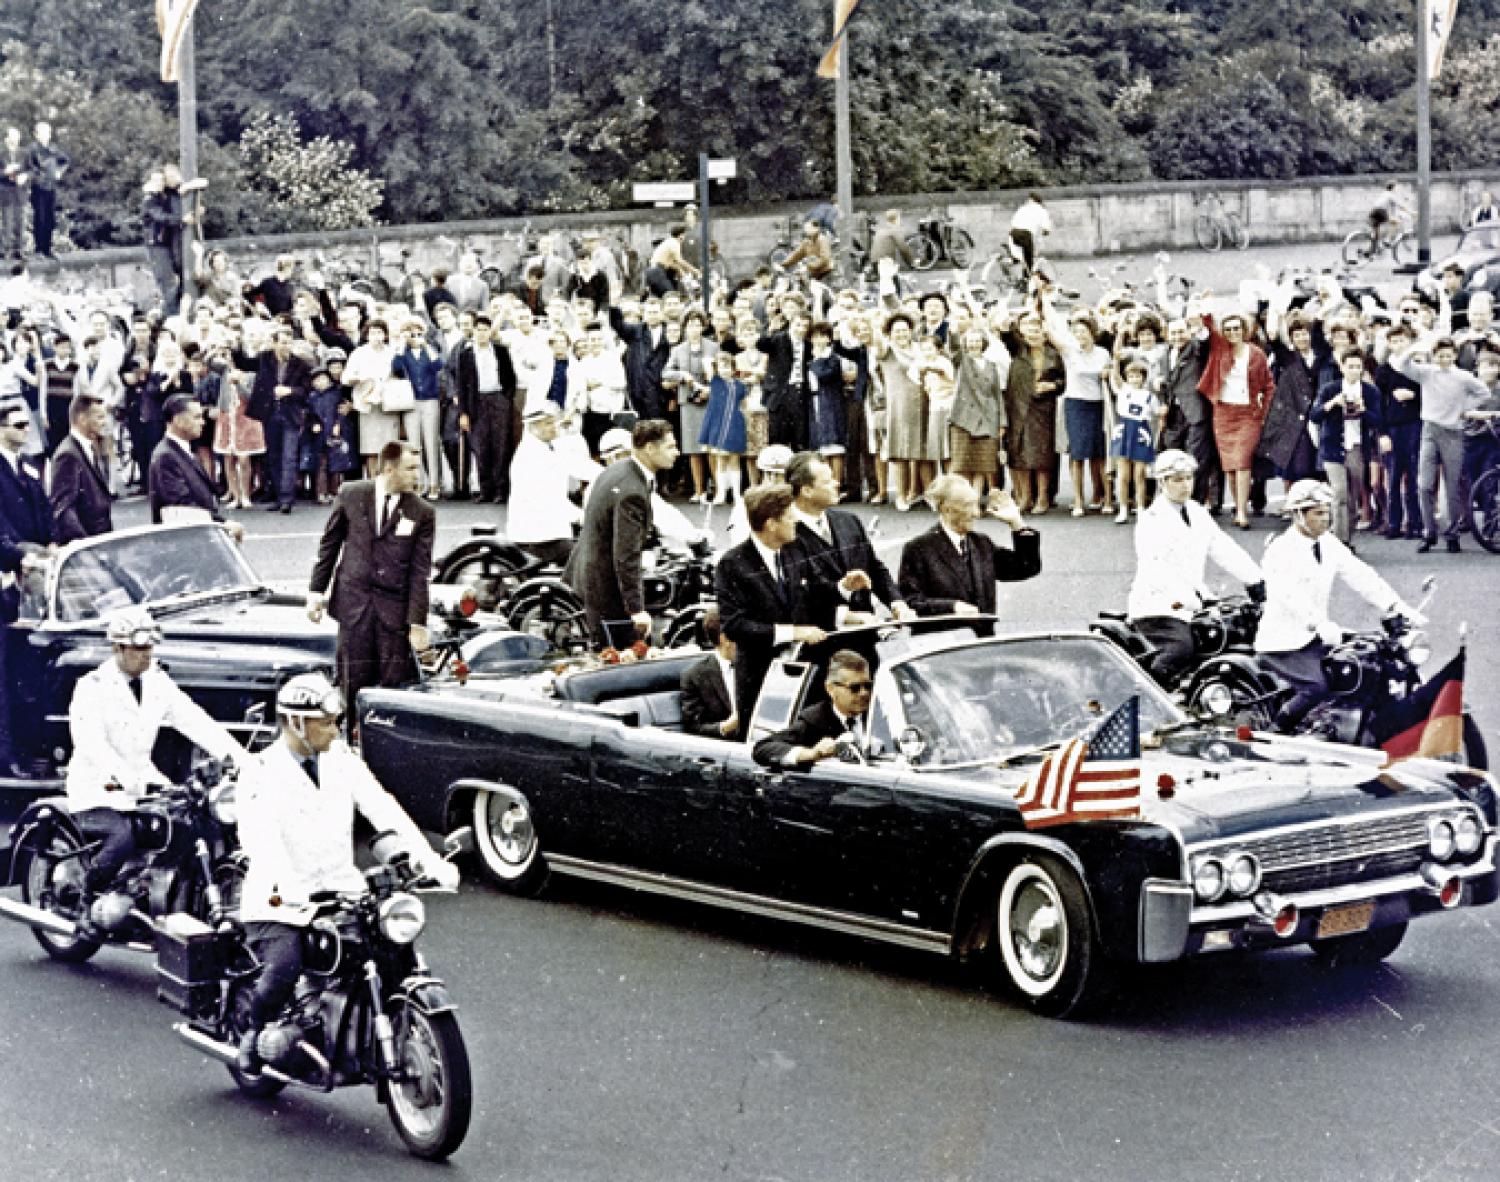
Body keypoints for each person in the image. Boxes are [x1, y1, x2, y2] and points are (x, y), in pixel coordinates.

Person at [234, 672, 458, 1076]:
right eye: (326, 722)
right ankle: (253, 1031)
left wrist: (430, 861)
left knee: (389, 949)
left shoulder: (340, 759)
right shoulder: (260, 771)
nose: (335, 730)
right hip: (279, 899)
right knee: (284, 965)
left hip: (342, 887)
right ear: (297, 723)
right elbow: (259, 841)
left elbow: (383, 809)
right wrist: (293, 889)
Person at [65, 608, 242, 917]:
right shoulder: (91, 687)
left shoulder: (157, 682)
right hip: (98, 790)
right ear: (118, 648)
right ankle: (85, 901)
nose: (145, 655)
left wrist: (240, 758)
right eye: (138, 648)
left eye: (149, 648)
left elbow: (195, 721)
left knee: (191, 826)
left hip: (148, 786)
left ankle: (161, 898)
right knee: (122, 838)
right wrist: (128, 778)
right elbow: (92, 744)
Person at [1254, 480, 1420, 731]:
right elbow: (1287, 596)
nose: (1326, 518)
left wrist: (1396, 605)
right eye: (1318, 513)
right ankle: (1276, 731)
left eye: (1328, 511)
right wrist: (1317, 622)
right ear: (1299, 515)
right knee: (1316, 687)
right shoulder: (1280, 550)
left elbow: (1360, 575)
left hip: (1320, 635)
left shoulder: (1328, 544)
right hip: (1284, 642)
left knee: (1369, 664)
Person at [308, 441, 435, 713]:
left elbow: (420, 571)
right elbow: (329, 545)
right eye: (410, 469)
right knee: (350, 687)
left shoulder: (422, 511)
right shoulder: (351, 494)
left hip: (393, 614)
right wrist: (315, 593)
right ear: (389, 469)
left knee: (391, 692)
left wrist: (417, 623)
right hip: (353, 608)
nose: (417, 476)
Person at [1126, 450, 1265, 686]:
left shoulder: (1197, 513)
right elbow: (1157, 569)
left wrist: (1256, 581)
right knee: (1181, 649)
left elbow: (1224, 549)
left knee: (1238, 633)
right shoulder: (1151, 520)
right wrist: (1191, 599)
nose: (1185, 485)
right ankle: (1147, 694)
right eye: (1177, 479)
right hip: (1159, 605)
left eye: (1189, 478)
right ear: (1162, 482)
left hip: (1195, 602)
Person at [714, 484, 827, 719]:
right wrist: (793, 632)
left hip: (803, 675)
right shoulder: (733, 563)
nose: (795, 520)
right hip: (760, 678)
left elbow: (817, 593)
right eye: (789, 515)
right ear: (771, 523)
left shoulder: (795, 551)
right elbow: (734, 625)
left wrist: (845, 589)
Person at [564, 419, 678, 649]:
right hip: (605, 589)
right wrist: (636, 609)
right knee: (619, 658)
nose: (677, 452)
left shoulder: (622, 469)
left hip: (589, 572)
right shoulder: (631, 491)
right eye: (670, 446)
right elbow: (626, 556)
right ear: (650, 448)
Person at [784, 451, 911, 626]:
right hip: (821, 639)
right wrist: (845, 616)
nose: (837, 484)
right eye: (828, 481)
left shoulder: (848, 521)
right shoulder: (785, 534)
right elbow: (798, 599)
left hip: (868, 634)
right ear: (806, 490)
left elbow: (874, 568)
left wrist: (897, 603)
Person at [1390, 335, 1493, 553]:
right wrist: (1416, 347)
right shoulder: (1427, 372)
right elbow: (1402, 365)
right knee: (1424, 484)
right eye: (1440, 355)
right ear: (1434, 355)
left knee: (1452, 486)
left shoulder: (1462, 377)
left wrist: (1464, 408)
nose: (1444, 359)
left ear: (1455, 355)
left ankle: (1452, 534)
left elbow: (1484, 392)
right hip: (1430, 430)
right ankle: (1429, 533)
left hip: (1453, 432)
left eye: (1448, 355)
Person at [898, 476, 1040, 617]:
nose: (976, 513)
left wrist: (1017, 523)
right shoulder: (919, 549)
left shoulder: (982, 543)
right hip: (944, 637)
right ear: (946, 509)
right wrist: (951, 607)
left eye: (976, 505)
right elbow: (910, 602)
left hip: (982, 638)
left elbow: (1026, 567)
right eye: (967, 505)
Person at [507, 403, 600, 568]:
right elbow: (548, 500)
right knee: (592, 562)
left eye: (553, 421)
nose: (554, 426)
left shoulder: (551, 447)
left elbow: (579, 465)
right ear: (533, 427)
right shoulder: (529, 457)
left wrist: (609, 474)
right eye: (548, 423)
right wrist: (581, 517)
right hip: (537, 538)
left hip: (551, 530)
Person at [753, 650, 874, 768]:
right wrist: (813, 753)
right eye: (855, 688)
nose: (864, 693)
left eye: (868, 686)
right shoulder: (815, 721)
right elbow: (762, 748)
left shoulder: (879, 716)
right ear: (831, 689)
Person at [148, 394, 241, 538]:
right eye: (196, 417)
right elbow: (182, 508)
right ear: (178, 420)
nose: (203, 422)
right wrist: (223, 523)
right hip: (185, 541)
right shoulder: (166, 457)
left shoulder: (181, 450)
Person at [248, 325, 312, 514]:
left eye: (289, 342)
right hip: (269, 413)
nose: (286, 346)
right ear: (274, 343)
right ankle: (278, 496)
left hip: (290, 414)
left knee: (289, 457)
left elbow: (307, 390)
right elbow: (243, 362)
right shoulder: (264, 359)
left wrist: (290, 391)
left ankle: (287, 499)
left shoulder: (301, 364)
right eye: (283, 342)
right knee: (273, 456)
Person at [456, 314, 520, 503]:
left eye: (485, 330)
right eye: (478, 330)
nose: (482, 334)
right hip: (477, 402)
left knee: (501, 446)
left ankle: (501, 490)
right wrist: (463, 413)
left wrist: (505, 399)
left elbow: (510, 377)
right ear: (473, 332)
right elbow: (461, 385)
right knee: (480, 447)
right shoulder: (466, 355)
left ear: (490, 332)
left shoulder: (500, 351)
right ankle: (486, 490)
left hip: (498, 399)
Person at [48, 394, 114, 543]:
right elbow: (64, 509)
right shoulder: (67, 455)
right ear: (82, 419)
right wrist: (85, 546)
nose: (104, 423)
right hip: (89, 545)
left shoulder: (87, 447)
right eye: (99, 417)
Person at [680, 605, 739, 740]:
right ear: (725, 639)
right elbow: (693, 728)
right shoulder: (695, 677)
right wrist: (727, 726)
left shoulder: (757, 668)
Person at [25, 121, 68, 260]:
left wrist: (59, 172)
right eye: (44, 132)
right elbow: (29, 167)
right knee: (40, 218)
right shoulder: (32, 149)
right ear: (36, 134)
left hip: (51, 187)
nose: (47, 135)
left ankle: (48, 249)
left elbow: (66, 160)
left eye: (48, 132)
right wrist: (38, 176)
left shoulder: (53, 148)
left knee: (50, 219)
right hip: (38, 188)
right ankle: (39, 250)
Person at [1009, 192, 1052, 275]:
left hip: (1013, 233)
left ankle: (1010, 263)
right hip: (1025, 235)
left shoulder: (1022, 208)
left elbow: (1013, 222)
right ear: (1039, 202)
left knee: (1018, 258)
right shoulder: (1042, 210)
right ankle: (1027, 280)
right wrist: (1044, 233)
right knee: (1029, 261)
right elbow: (1046, 229)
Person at [0, 127, 27, 260]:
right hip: (6, 191)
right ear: (7, 139)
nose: (15, 139)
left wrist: (25, 176)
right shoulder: (1, 153)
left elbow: (31, 170)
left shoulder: (24, 153)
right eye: (12, 136)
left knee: (20, 222)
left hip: (20, 191)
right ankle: (6, 251)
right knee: (7, 222)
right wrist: (5, 172)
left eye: (17, 136)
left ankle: (19, 250)